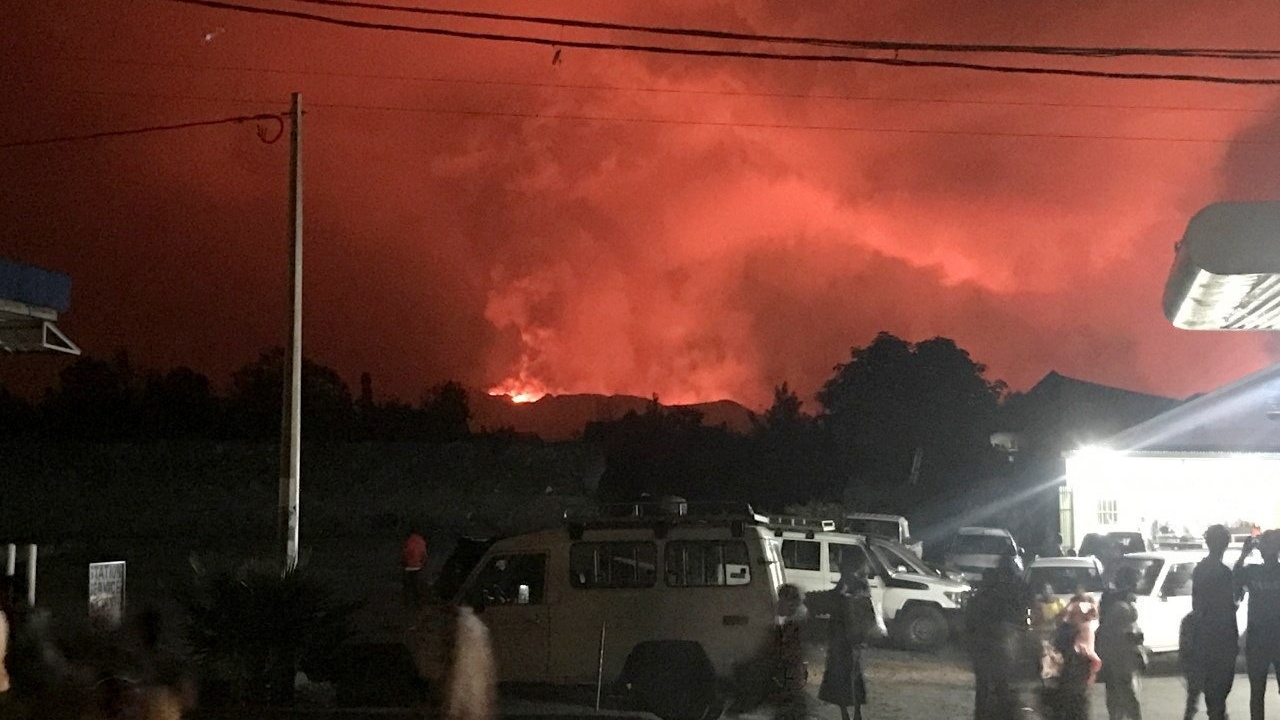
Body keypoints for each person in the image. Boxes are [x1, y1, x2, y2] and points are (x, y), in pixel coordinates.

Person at [818, 549, 885, 720]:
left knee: (843, 676)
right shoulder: (859, 582)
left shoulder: (849, 581)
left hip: (843, 637)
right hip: (854, 638)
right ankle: (854, 713)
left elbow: (837, 603)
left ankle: (847, 714)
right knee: (853, 676)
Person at [966, 552, 1029, 720]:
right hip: (1002, 647)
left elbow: (970, 622)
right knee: (1003, 689)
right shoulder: (1016, 590)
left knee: (986, 689)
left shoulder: (984, 593)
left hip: (987, 647)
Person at [1186, 524, 1239, 720]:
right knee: (1219, 691)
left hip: (1205, 635)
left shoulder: (1201, 569)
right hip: (1220, 636)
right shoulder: (1222, 572)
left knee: (1212, 693)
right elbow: (1226, 608)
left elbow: (1198, 604)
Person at [1235, 528, 1280, 720]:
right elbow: (1235, 579)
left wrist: (1244, 553)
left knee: (1257, 692)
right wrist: (1244, 554)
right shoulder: (1253, 571)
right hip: (1261, 638)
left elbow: (1236, 577)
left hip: (1266, 638)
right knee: (1257, 692)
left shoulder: (1254, 572)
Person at [1098, 565, 1145, 720]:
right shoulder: (1121, 605)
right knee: (1127, 693)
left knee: (1114, 693)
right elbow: (1128, 633)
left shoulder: (1110, 599)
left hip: (1111, 653)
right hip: (1122, 656)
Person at [1042, 594, 1100, 720]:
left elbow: (1089, 656)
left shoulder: (1084, 628)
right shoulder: (1067, 627)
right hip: (1066, 678)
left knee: (1075, 708)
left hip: (1074, 678)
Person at [770, 584, 809, 720]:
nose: (777, 604)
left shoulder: (795, 626)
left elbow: (789, 652)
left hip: (791, 676)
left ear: (791, 603)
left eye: (781, 600)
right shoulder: (794, 622)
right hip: (793, 676)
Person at [402, 531, 429, 608]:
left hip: (408, 567)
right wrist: (422, 563)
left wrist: (404, 563)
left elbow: (404, 553)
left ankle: (406, 603)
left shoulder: (408, 541)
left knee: (407, 586)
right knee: (416, 586)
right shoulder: (421, 542)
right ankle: (417, 603)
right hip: (417, 566)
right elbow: (424, 554)